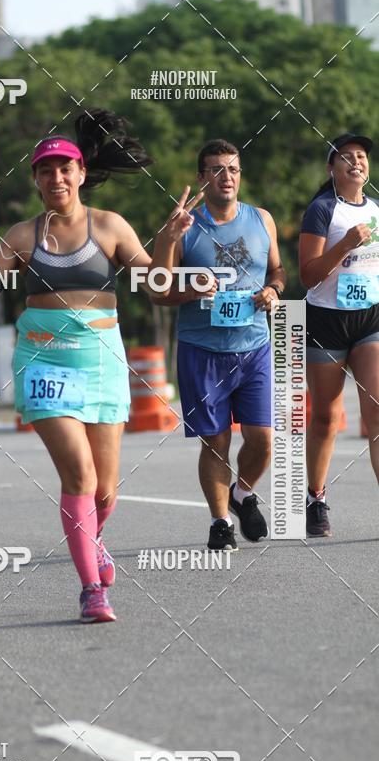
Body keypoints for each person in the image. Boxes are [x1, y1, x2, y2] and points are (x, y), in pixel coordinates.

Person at [0, 109, 198, 622]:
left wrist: (168, 241)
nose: (56, 177)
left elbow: (158, 289)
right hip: (43, 363)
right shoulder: (20, 236)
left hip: (102, 361)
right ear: (35, 180)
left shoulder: (110, 227)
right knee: (78, 475)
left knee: (105, 488)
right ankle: (90, 590)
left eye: (64, 168)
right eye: (45, 171)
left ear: (81, 174)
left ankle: (91, 542)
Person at [153, 138, 286, 551]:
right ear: (201, 177)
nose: (226, 176)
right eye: (216, 169)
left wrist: (274, 291)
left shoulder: (262, 219)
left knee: (263, 438)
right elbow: (158, 289)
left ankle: (243, 492)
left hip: (255, 346)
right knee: (217, 441)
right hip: (202, 348)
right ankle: (220, 522)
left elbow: (279, 271)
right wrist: (190, 286)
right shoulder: (183, 226)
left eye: (233, 169)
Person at [300, 133, 379, 537]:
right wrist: (346, 244)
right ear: (332, 169)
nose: (355, 162)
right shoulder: (321, 210)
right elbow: (309, 276)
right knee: (327, 417)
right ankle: (316, 497)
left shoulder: (377, 210)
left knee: (377, 411)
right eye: (346, 157)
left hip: (369, 320)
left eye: (361, 156)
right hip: (327, 320)